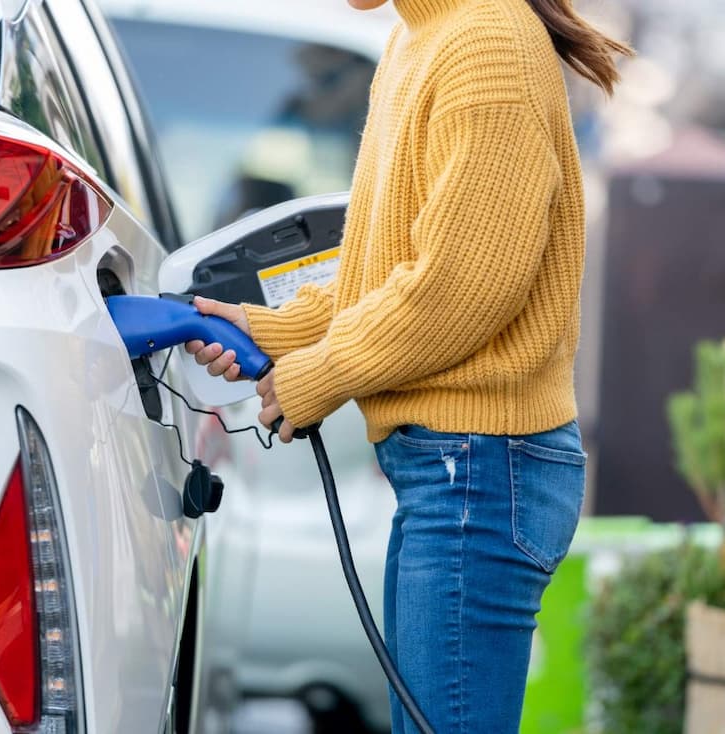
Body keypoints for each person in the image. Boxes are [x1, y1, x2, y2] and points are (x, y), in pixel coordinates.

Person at [186, 0, 631, 730]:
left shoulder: (489, 46)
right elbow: (384, 268)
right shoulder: (416, 38)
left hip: (482, 471)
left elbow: (462, 287)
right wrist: (273, 330)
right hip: (454, 470)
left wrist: (319, 375)